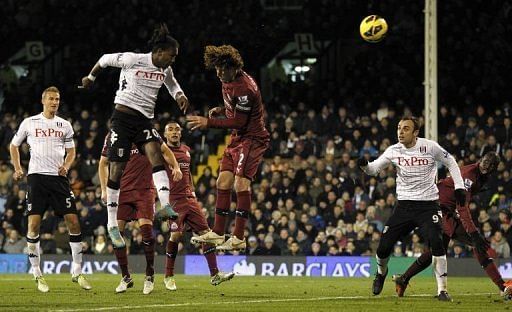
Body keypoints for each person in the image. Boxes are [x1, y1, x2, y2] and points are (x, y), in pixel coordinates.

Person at [80, 23, 189, 248]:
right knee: (117, 169)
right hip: (121, 117)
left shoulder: (165, 70)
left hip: (143, 121)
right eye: (172, 55)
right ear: (159, 53)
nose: (173, 60)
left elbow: (172, 84)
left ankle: (166, 205)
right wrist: (91, 78)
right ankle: (112, 224)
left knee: (155, 154)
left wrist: (180, 95)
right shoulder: (132, 59)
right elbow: (103, 59)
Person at [358, 116, 466, 301]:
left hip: (428, 206)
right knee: (383, 248)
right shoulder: (394, 150)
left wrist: (460, 187)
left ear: (416, 132)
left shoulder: (430, 147)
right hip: (404, 207)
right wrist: (364, 165)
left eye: (406, 128)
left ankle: (442, 290)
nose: (400, 131)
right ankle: (381, 274)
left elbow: (451, 162)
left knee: (437, 243)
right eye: (399, 128)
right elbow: (374, 169)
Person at [393, 152, 512, 300]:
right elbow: (462, 207)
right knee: (477, 243)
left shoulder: (480, 175)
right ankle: (503, 287)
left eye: (489, 165)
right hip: (440, 209)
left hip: (443, 207)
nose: (485, 166)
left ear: (493, 168)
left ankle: (403, 279)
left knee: (435, 252)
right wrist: (474, 234)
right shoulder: (469, 176)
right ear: (482, 160)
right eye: (485, 162)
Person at [187, 45, 270, 251]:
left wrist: (209, 122)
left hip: (252, 138)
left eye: (222, 69)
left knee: (241, 185)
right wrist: (223, 109)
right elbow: (236, 111)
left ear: (233, 68)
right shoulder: (229, 80)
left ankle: (239, 237)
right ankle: (217, 233)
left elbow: (240, 122)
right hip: (237, 139)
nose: (218, 73)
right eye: (216, 69)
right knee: (223, 181)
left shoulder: (245, 88)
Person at [9, 86, 92, 292]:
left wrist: (67, 165)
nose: (55, 102)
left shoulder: (64, 125)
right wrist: (18, 168)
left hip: (59, 179)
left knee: (73, 222)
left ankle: (77, 271)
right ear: (43, 100)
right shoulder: (30, 122)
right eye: (52, 99)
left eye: (58, 99)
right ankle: (37, 274)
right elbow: (13, 145)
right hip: (36, 178)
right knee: (34, 226)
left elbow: (72, 151)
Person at [98, 132, 182, 294]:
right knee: (117, 234)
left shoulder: (146, 131)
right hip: (121, 191)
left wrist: (176, 166)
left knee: (147, 233)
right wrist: (103, 190)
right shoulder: (112, 136)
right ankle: (125, 277)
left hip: (144, 191)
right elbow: (103, 163)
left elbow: (164, 150)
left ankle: (149, 275)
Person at [162, 122, 234, 290]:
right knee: (176, 236)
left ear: (180, 134)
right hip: (173, 200)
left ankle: (215, 275)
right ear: (165, 134)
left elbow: (188, 175)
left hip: (189, 199)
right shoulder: (162, 151)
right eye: (170, 130)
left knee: (206, 234)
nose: (174, 132)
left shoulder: (186, 150)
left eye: (177, 129)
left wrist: (193, 191)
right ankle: (168, 275)